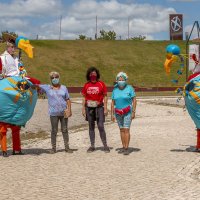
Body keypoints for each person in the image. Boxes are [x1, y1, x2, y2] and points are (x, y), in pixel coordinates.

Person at [38, 72, 73, 153]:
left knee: (64, 129)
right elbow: (36, 86)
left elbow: (68, 99)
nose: (54, 79)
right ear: (50, 79)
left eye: (56, 77)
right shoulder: (47, 88)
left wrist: (69, 110)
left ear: (59, 78)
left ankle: (67, 147)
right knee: (54, 130)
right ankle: (53, 148)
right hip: (53, 113)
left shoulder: (64, 88)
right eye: (52, 78)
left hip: (64, 112)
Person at [0, 37, 23, 157]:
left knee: (15, 124)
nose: (14, 49)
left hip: (17, 84)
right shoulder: (2, 58)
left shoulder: (16, 59)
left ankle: (17, 148)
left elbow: (21, 71)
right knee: (3, 125)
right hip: (6, 84)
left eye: (14, 47)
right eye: (12, 47)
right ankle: (4, 149)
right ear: (8, 47)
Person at [81, 66, 110, 153]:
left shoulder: (101, 84)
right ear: (89, 75)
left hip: (99, 108)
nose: (93, 75)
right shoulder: (86, 85)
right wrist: (83, 108)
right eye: (91, 73)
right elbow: (83, 97)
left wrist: (105, 107)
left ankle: (105, 145)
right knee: (91, 126)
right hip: (89, 108)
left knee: (100, 125)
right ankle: (92, 145)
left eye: (94, 73)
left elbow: (105, 96)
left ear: (97, 74)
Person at [111, 72, 136, 155]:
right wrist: (112, 114)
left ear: (125, 80)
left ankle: (126, 147)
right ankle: (123, 146)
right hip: (118, 112)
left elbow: (134, 100)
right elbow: (112, 102)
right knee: (121, 129)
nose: (121, 81)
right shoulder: (115, 90)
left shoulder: (130, 88)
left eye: (122, 79)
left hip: (127, 111)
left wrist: (133, 112)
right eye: (119, 79)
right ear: (117, 80)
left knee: (126, 129)